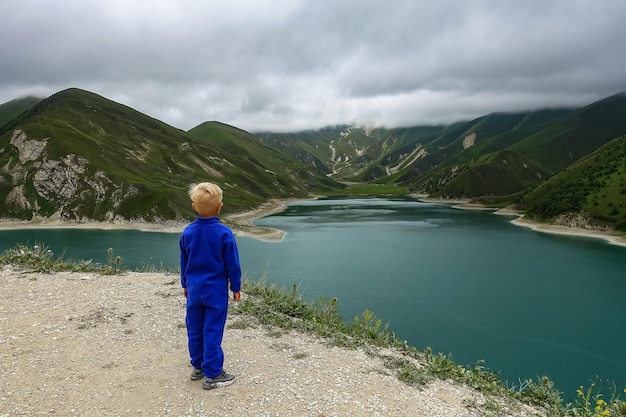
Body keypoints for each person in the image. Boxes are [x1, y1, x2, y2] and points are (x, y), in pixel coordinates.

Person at [179, 182, 241, 390]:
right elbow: (232, 264)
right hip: (215, 293)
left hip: (195, 291)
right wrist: (236, 287)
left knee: (195, 328)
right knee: (212, 330)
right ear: (219, 207)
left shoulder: (187, 232)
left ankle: (198, 366)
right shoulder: (224, 233)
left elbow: (184, 261)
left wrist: (185, 284)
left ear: (194, 206)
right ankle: (213, 373)